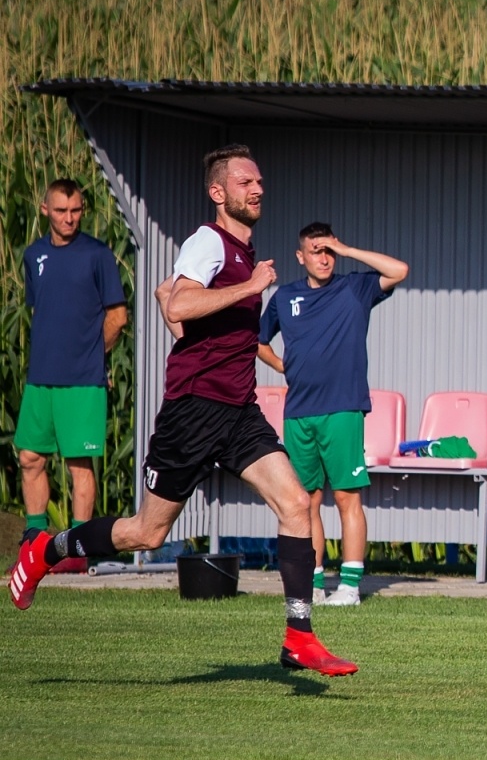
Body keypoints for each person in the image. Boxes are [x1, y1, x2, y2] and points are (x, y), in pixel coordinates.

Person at [7, 144, 358, 677]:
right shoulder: (208, 242)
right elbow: (179, 303)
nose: (257, 188)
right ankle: (47, 549)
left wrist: (196, 298)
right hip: (192, 412)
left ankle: (299, 636)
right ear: (219, 193)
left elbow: (178, 307)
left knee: (297, 505)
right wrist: (247, 286)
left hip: (238, 411)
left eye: (259, 180)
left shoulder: (241, 252)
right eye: (244, 182)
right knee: (146, 533)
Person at [258, 223, 408, 606]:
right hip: (299, 413)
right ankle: (314, 583)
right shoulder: (285, 297)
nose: (324, 258)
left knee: (346, 499)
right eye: (317, 250)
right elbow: (256, 341)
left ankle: (350, 587)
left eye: (329, 251)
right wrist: (281, 365)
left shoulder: (355, 289)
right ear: (300, 256)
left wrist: (346, 247)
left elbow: (399, 271)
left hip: (342, 409)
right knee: (305, 502)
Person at [16, 179, 128, 572]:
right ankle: (34, 539)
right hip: (41, 378)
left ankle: (76, 553)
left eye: (76, 210)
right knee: (30, 457)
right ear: (45, 209)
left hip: (82, 380)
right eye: (61, 210)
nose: (70, 218)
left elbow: (117, 316)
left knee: (79, 464)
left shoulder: (97, 255)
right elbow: (41, 312)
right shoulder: (34, 255)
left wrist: (94, 357)